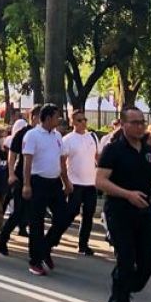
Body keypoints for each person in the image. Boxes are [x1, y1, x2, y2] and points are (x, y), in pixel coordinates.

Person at [97, 107, 151, 302]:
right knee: (126, 259)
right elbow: (101, 181)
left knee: (148, 262)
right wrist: (128, 195)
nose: (140, 126)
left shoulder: (149, 151)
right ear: (123, 125)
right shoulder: (113, 150)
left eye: (142, 122)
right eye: (134, 122)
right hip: (119, 210)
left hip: (144, 211)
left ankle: (125, 287)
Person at [21, 103, 69, 275]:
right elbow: (27, 161)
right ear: (48, 118)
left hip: (54, 183)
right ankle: (35, 261)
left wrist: (66, 181)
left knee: (64, 217)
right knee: (37, 223)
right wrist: (26, 184)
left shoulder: (57, 136)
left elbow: (62, 161)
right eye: (57, 116)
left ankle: (45, 247)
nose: (59, 120)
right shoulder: (32, 135)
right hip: (37, 182)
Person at [46, 108, 100, 256]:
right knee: (69, 213)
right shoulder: (68, 140)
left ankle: (83, 244)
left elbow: (97, 158)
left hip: (90, 183)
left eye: (84, 120)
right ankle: (53, 238)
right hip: (75, 183)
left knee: (88, 214)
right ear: (72, 122)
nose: (83, 123)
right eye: (79, 120)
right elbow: (62, 161)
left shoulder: (92, 137)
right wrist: (66, 182)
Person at [0, 105, 41, 255]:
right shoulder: (23, 133)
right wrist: (11, 174)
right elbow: (12, 155)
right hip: (22, 176)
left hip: (38, 178)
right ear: (34, 117)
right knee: (19, 211)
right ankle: (3, 237)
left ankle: (36, 248)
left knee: (35, 214)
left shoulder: (46, 134)